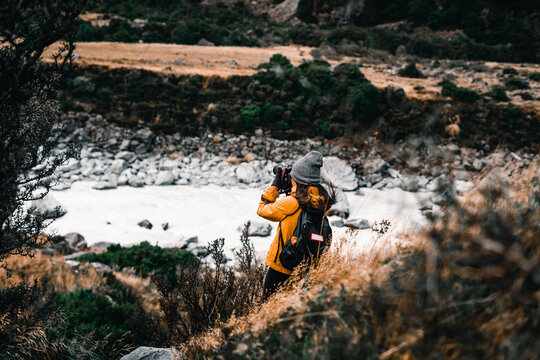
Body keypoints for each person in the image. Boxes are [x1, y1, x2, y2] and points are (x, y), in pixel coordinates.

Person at [257, 151, 335, 300]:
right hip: (305, 266)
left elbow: (262, 210)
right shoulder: (320, 200)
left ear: (298, 179)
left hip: (282, 264)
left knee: (267, 305)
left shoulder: (291, 202)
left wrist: (275, 185)